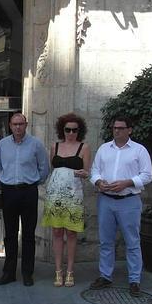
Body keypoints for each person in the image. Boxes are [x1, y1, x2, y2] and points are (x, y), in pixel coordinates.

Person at [89, 116, 152, 297]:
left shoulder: (139, 150)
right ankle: (105, 276)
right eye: (114, 128)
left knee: (132, 242)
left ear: (129, 130)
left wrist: (128, 183)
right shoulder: (104, 149)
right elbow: (94, 171)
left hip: (129, 201)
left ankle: (134, 280)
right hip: (106, 200)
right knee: (106, 241)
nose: (116, 130)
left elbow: (147, 175)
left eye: (120, 128)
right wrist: (98, 182)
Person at [0, 112, 49, 286]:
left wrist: (33, 182)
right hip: (9, 191)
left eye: (21, 124)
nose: (18, 127)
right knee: (9, 234)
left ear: (26, 125)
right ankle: (8, 272)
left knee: (28, 234)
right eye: (14, 124)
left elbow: (44, 168)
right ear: (10, 126)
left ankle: (27, 273)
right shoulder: (2, 145)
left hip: (28, 192)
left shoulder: (36, 144)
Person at [41, 113, 90, 287]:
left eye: (74, 130)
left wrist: (83, 173)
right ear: (62, 130)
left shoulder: (84, 148)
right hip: (55, 194)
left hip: (73, 195)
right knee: (56, 232)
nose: (71, 133)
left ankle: (70, 271)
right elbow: (51, 169)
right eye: (67, 129)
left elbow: (87, 172)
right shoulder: (54, 146)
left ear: (79, 131)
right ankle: (58, 271)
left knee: (71, 232)